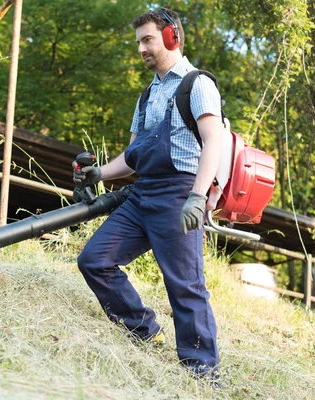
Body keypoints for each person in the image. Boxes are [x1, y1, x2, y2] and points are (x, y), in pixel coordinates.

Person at [73, 7, 223, 379]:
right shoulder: (148, 94)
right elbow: (134, 155)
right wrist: (98, 174)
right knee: (95, 260)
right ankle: (143, 330)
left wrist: (198, 196)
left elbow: (213, 142)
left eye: (147, 40)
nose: (141, 48)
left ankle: (202, 371)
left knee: (185, 286)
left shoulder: (197, 84)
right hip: (143, 195)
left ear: (171, 36)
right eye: (138, 42)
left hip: (179, 195)